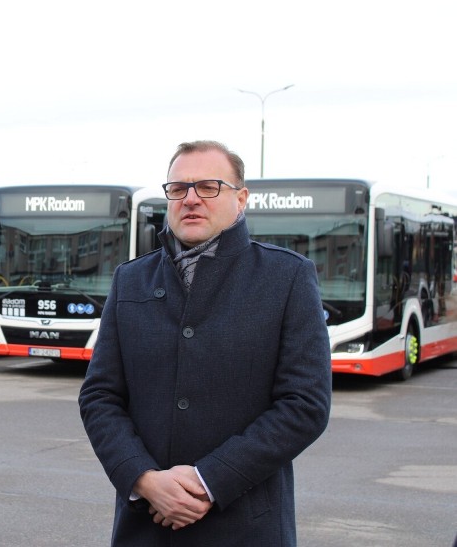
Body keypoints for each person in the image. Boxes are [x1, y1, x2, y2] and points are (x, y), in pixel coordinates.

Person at [78, 140, 331, 546]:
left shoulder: (287, 278)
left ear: (241, 199)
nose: (191, 198)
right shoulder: (131, 279)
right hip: (146, 525)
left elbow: (305, 405)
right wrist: (143, 479)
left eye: (209, 186)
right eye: (178, 189)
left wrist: (208, 480)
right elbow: (100, 396)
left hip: (246, 526)